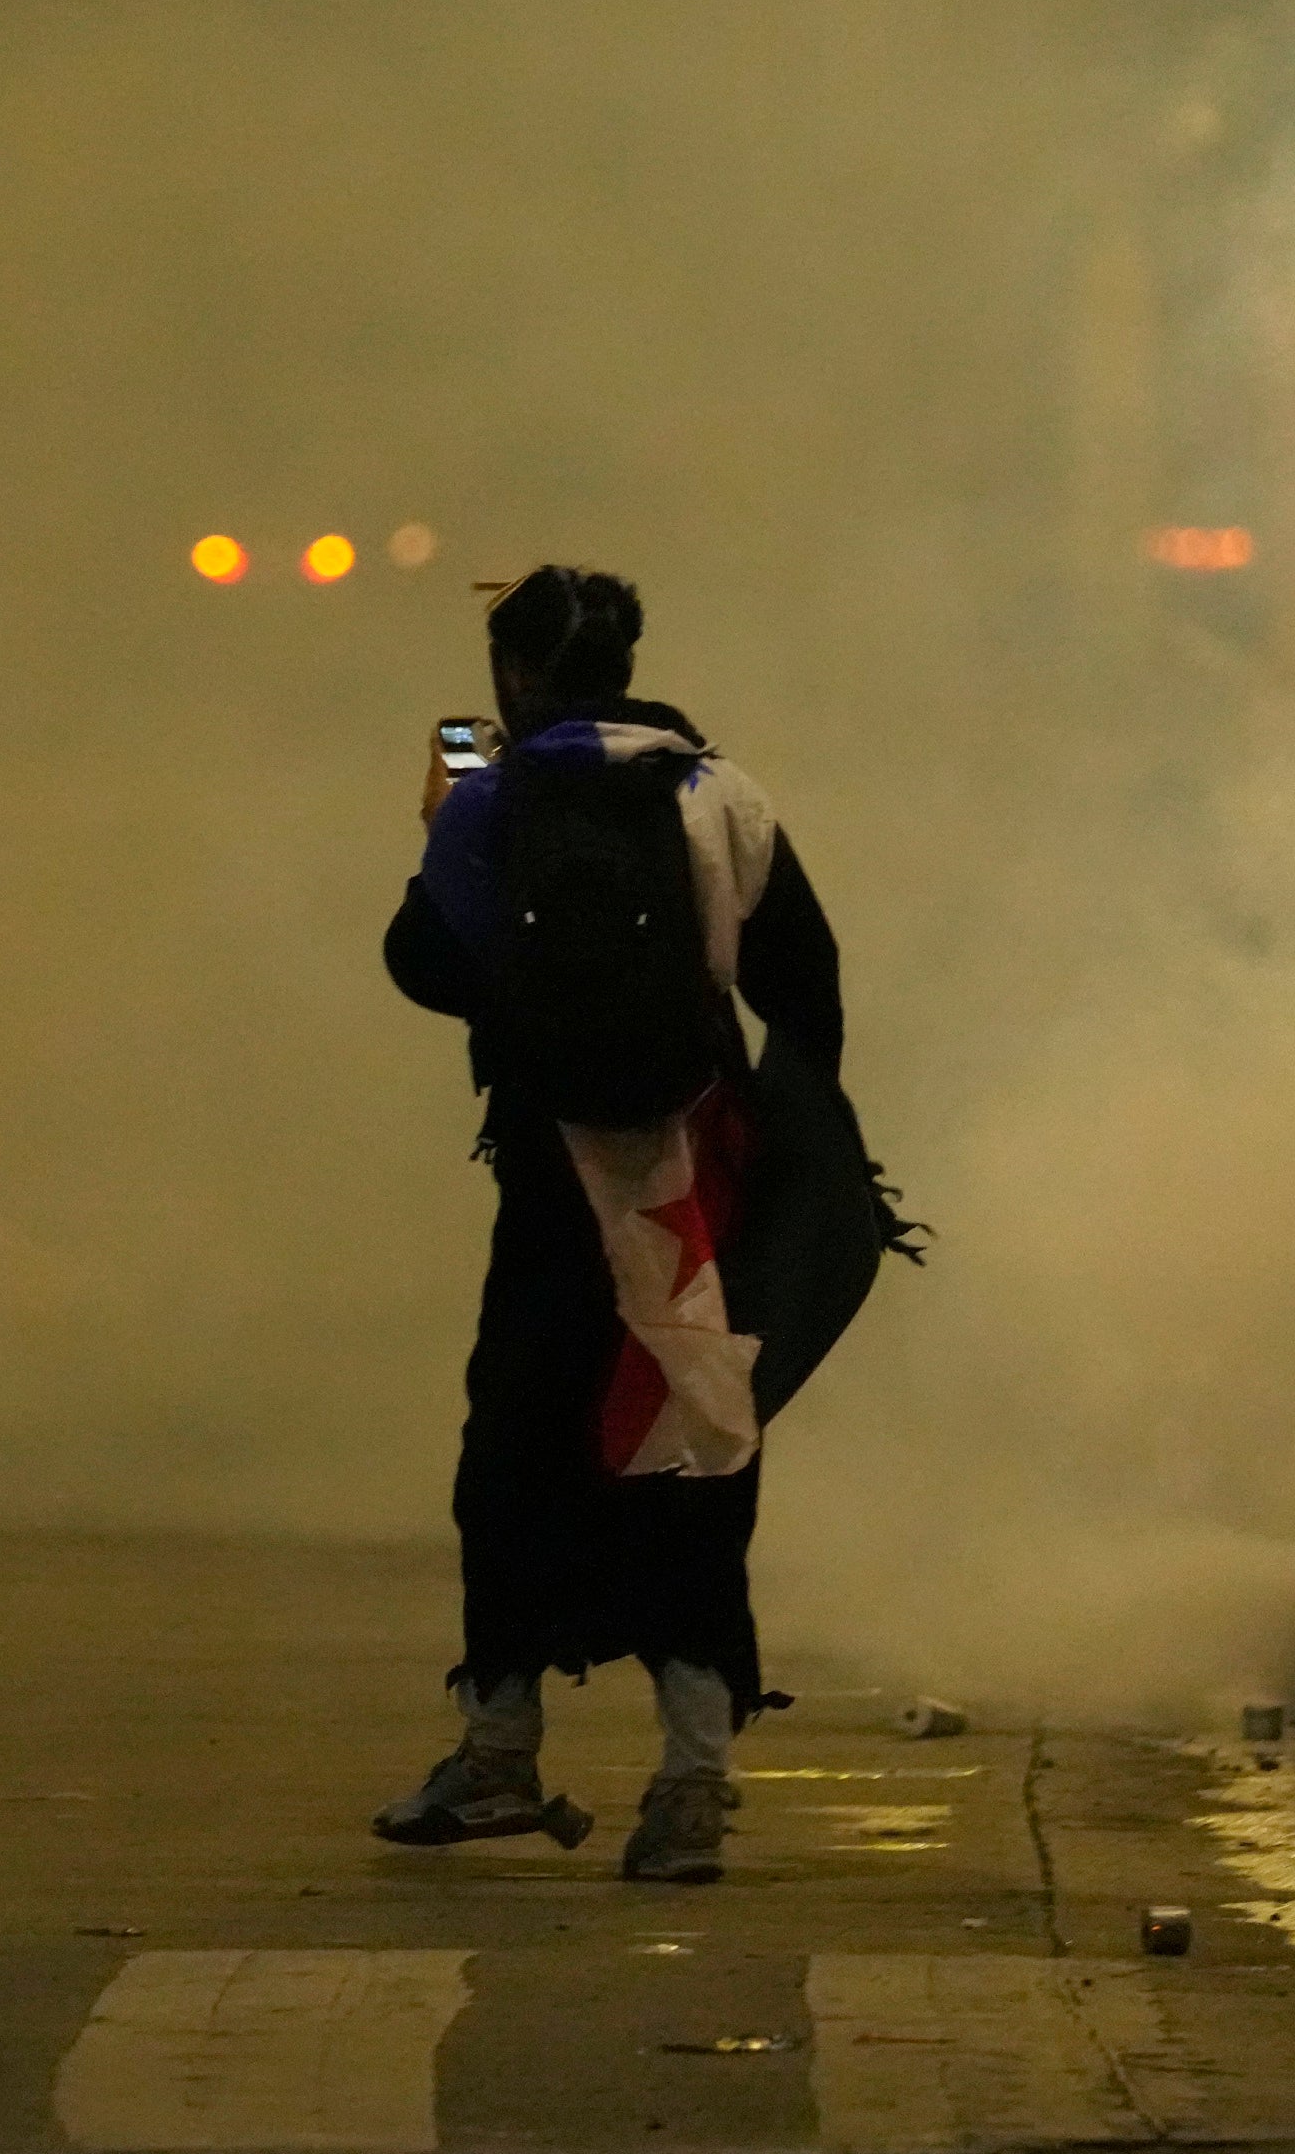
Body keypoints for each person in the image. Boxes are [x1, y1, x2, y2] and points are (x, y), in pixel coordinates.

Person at [371, 564, 844, 1884]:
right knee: (689, 1446)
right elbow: (805, 984)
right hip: (691, 1189)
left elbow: (422, 964)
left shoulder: (495, 800)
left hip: (548, 1176)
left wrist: (447, 830)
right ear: (628, 663)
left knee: (515, 1453)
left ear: (515, 677)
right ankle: (691, 1785)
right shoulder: (718, 794)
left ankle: (499, 1754)